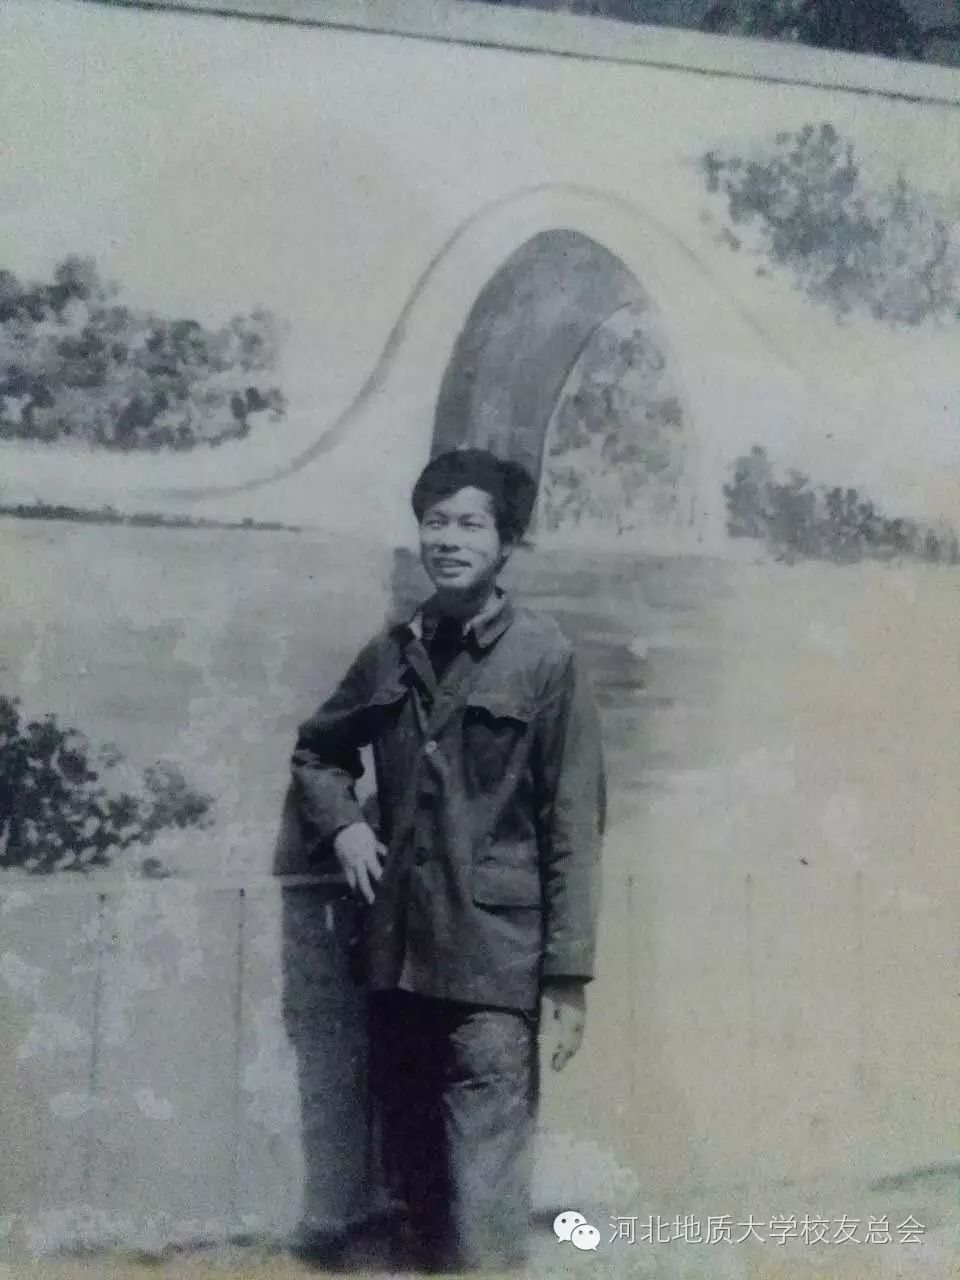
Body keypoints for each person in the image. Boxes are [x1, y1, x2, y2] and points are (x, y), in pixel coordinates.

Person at [290, 448, 606, 1272]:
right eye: (436, 522)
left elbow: (574, 823)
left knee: (485, 1181)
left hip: (495, 963)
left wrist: (567, 976)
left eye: (471, 524)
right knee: (412, 1173)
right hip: (397, 954)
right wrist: (344, 827)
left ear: (507, 543)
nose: (450, 540)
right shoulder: (393, 652)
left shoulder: (546, 658)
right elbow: (319, 752)